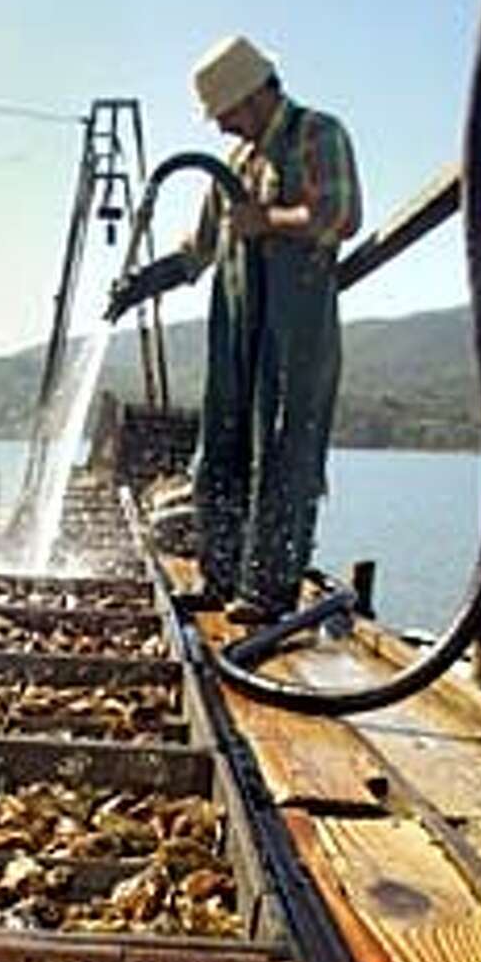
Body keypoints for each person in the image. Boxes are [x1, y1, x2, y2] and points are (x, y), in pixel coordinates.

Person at [108, 35, 362, 622]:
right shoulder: (236, 165)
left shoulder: (318, 134)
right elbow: (197, 254)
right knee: (219, 446)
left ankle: (268, 595)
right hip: (236, 328)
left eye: (223, 113)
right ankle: (219, 579)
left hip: (296, 328)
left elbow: (341, 216)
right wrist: (142, 284)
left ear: (251, 96)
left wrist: (266, 219)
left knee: (283, 450)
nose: (219, 126)